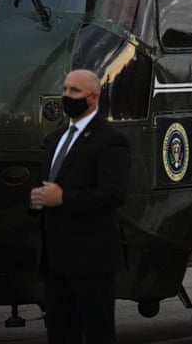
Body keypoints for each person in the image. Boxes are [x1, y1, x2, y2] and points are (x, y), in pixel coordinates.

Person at [30, 69, 130, 343]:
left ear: (93, 97)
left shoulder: (110, 139)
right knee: (61, 334)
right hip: (56, 261)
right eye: (64, 89)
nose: (66, 96)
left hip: (91, 260)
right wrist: (40, 199)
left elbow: (114, 194)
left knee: (98, 332)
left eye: (74, 91)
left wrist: (64, 199)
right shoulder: (59, 136)